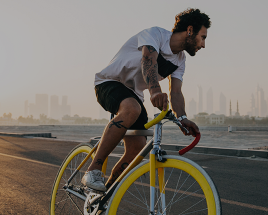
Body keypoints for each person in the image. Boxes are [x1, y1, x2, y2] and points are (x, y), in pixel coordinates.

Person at [82, 8, 211, 192]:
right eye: (203, 37)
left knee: (137, 150)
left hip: (134, 94)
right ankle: (93, 171)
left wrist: (182, 119)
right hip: (109, 82)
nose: (203, 44)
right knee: (132, 109)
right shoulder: (156, 34)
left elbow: (175, 92)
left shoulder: (180, 60)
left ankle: (103, 195)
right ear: (190, 30)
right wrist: (154, 91)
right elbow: (148, 61)